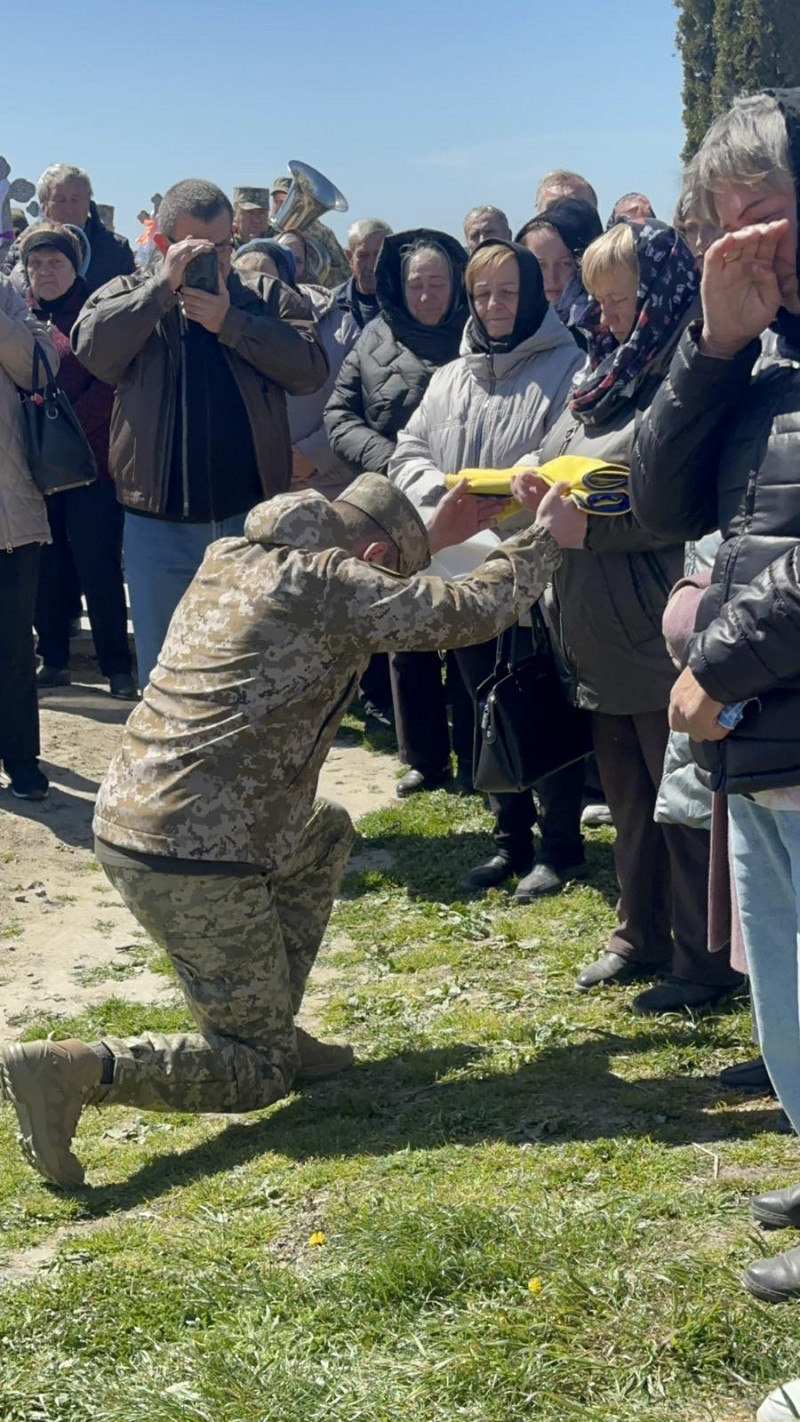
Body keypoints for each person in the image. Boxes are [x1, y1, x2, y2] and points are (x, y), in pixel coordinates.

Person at [0, 473, 578, 1188]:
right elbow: (468, 610)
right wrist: (545, 538)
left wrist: (428, 537)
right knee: (254, 1072)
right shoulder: (333, 586)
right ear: (365, 554)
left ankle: (269, 1018)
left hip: (141, 819)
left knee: (325, 830)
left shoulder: (238, 555)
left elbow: (373, 580)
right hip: (202, 852)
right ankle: (82, 1068)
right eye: (392, 570)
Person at [629, 88, 800, 1304]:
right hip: (759, 746)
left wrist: (714, 663)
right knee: (786, 1017)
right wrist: (710, 346)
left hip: (754, 709)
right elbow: (654, 502)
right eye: (724, 229)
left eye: (769, 222)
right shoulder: (758, 348)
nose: (748, 252)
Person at [514, 219, 741, 1009]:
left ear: (664, 296)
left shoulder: (687, 379)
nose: (606, 315)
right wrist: (531, 482)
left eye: (623, 300)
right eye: (600, 299)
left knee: (679, 803)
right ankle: (637, 931)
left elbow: (687, 498)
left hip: (653, 621)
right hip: (593, 625)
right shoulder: (605, 369)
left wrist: (594, 527)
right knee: (628, 796)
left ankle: (701, 961)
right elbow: (565, 453)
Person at [72, 178, 328, 688]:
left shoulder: (265, 297)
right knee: (164, 682)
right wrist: (159, 292)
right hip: (157, 528)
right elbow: (92, 351)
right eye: (195, 248)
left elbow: (310, 370)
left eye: (223, 246)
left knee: (246, 677)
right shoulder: (131, 291)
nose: (213, 258)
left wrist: (233, 323)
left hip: (249, 521)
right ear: (164, 245)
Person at [389, 238, 588, 893]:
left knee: (541, 699)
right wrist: (432, 489)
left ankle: (561, 846)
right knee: (480, 701)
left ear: (531, 293)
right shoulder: (452, 374)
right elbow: (408, 447)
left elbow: (569, 444)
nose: (495, 306)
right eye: (482, 294)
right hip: (464, 570)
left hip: (534, 567)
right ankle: (509, 840)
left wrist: (514, 482)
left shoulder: (570, 365)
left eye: (507, 292)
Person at [326, 228, 473, 766]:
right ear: (399, 286)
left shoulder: (476, 336)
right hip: (393, 503)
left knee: (464, 620)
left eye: (438, 283)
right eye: (417, 285)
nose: (428, 295)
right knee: (401, 627)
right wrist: (392, 459)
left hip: (463, 500)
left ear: (456, 284)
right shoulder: (372, 338)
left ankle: (473, 748)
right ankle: (422, 756)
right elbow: (338, 415)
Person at [19, 223, 136, 700]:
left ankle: (116, 666)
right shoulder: (18, 316)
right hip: (35, 468)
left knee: (97, 564)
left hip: (90, 466)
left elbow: (109, 385)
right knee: (46, 565)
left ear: (75, 267)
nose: (46, 272)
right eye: (37, 264)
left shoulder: (94, 314)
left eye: (56, 263)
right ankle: (54, 658)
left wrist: (58, 427)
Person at [0, 275, 59, 800]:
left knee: (15, 644)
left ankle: (21, 759)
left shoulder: (6, 294)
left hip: (10, 510)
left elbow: (40, 367)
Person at [3, 164, 135, 292]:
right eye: (60, 200)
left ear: (88, 203)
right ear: (44, 207)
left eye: (75, 200)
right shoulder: (22, 247)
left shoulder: (115, 249)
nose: (68, 208)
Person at [516, 198, 603, 347]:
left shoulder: (604, 329)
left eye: (565, 264)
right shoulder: (509, 325)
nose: (551, 278)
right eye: (540, 265)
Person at [271, 175, 349, 287]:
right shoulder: (265, 229)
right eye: (277, 202)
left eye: (285, 202)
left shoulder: (322, 233)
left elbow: (344, 274)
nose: (281, 206)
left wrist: (318, 274)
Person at [336, 217, 393, 330]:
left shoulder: (409, 303)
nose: (372, 266)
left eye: (378, 255)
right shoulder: (332, 305)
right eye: (363, 256)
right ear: (350, 257)